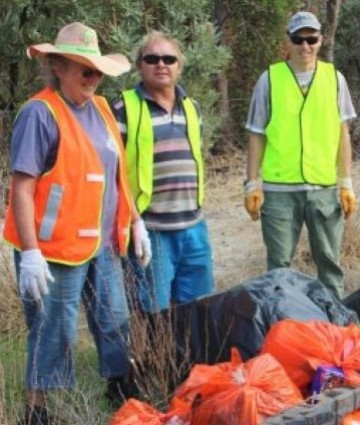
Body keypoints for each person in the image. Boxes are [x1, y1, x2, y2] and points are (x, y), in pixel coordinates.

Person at [3, 22, 152, 424]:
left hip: (103, 243)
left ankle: (120, 387)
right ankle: (37, 409)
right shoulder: (39, 113)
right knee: (54, 327)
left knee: (114, 318)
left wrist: (135, 221)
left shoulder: (102, 109)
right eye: (85, 70)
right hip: (55, 247)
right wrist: (30, 253)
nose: (93, 78)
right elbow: (21, 188)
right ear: (58, 67)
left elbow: (117, 175)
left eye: (97, 71)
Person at [243, 11, 357, 299]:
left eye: (311, 39)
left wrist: (346, 183)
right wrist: (252, 184)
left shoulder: (335, 79)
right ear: (288, 41)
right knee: (278, 269)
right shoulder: (269, 80)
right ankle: (280, 320)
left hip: (323, 189)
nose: (305, 46)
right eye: (298, 39)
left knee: (330, 266)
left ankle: (334, 321)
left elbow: (343, 134)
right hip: (279, 191)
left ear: (320, 40)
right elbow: (256, 134)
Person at [112, 31, 214, 312]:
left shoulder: (193, 108)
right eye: (152, 59)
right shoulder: (123, 108)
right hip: (150, 230)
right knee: (153, 313)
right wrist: (133, 223)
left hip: (194, 226)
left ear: (179, 66)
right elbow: (113, 173)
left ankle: (191, 346)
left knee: (199, 310)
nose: (161, 64)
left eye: (169, 59)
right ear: (139, 65)